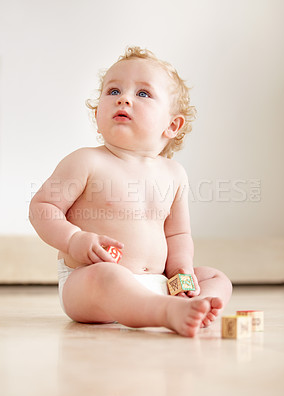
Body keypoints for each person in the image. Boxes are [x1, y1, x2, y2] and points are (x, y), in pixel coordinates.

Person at [29, 46, 232, 337]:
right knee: (108, 275)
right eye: (113, 91)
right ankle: (165, 312)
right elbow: (42, 208)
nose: (123, 98)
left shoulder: (174, 174)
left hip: (159, 282)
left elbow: (177, 235)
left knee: (215, 277)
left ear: (172, 125)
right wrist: (74, 240)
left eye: (143, 94)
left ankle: (194, 304)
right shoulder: (87, 161)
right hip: (89, 282)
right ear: (97, 113)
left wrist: (181, 270)